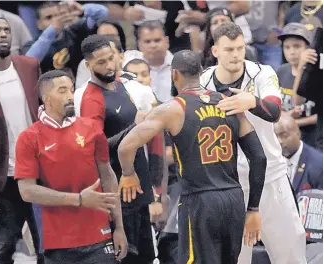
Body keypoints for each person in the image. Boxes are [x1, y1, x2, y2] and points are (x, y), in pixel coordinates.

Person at [117, 50, 267, 264]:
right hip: (234, 199)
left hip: (200, 200)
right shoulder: (227, 103)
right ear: (200, 72)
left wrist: (128, 174)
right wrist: (253, 208)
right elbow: (259, 158)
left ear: (174, 74)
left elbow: (125, 147)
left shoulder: (174, 108)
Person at [200, 22, 307, 264]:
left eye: (240, 48)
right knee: (236, 258)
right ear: (215, 50)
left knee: (290, 253)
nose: (236, 55)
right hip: (228, 183)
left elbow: (275, 112)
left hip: (270, 177)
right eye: (229, 49)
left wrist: (251, 101)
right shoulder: (203, 80)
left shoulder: (262, 73)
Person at [14, 70, 128, 264]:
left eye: (71, 89)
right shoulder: (29, 138)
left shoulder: (92, 128)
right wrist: (80, 199)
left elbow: (108, 176)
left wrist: (119, 228)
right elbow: (27, 191)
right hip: (58, 242)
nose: (70, 96)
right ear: (47, 99)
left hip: (100, 235)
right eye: (62, 90)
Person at [79, 34, 163, 264]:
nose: (108, 66)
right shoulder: (92, 99)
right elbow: (96, 150)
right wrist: (135, 128)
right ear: (88, 65)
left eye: (110, 59)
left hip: (137, 184)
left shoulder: (120, 85)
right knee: (126, 258)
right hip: (118, 190)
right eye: (101, 62)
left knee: (146, 257)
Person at [0, 17, 42, 264]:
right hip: (1, 177)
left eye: (7, 30)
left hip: (39, 170)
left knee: (47, 244)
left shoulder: (29, 66)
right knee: (3, 248)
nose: (3, 34)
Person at [277, 23, 318, 148]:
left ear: (308, 48)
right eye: (287, 47)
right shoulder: (281, 71)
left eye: (297, 46)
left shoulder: (316, 74)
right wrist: (284, 117)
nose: (292, 52)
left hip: (312, 136)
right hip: (286, 135)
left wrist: (295, 122)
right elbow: (274, 105)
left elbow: (319, 116)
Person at [274, 116, 323, 193]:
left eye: (284, 135)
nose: (279, 141)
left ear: (298, 133)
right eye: (275, 137)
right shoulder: (272, 160)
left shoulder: (318, 163)